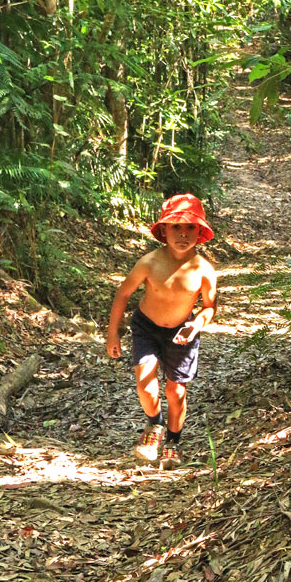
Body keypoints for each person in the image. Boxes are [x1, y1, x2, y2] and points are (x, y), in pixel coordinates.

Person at [106, 193, 217, 469]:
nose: (182, 234)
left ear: (200, 231)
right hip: (146, 327)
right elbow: (123, 295)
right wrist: (112, 333)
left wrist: (196, 324)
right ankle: (154, 425)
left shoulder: (204, 269)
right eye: (176, 226)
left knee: (175, 392)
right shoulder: (149, 262)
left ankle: (174, 441)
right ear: (163, 229)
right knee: (145, 383)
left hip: (182, 332)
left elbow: (210, 306)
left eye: (190, 227)